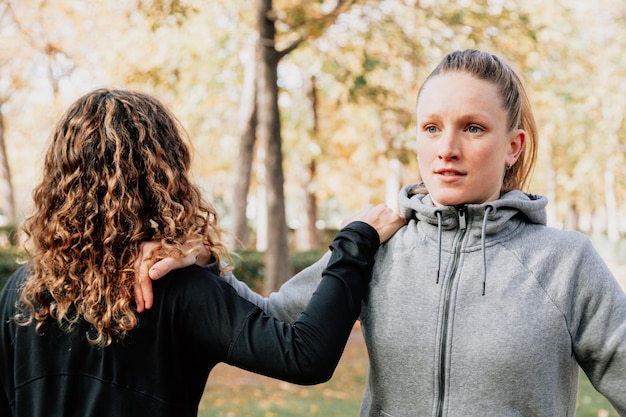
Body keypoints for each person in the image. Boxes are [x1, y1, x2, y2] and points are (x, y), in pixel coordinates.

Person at [143, 49, 626, 416]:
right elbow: (273, 320)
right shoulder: (379, 248)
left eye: (473, 128)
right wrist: (207, 263)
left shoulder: (565, 262)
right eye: (432, 128)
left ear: (513, 146)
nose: (448, 149)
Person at [0, 88, 406, 417]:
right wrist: (356, 243)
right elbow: (304, 356)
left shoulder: (23, 289)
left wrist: (205, 260)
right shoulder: (176, 288)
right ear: (164, 174)